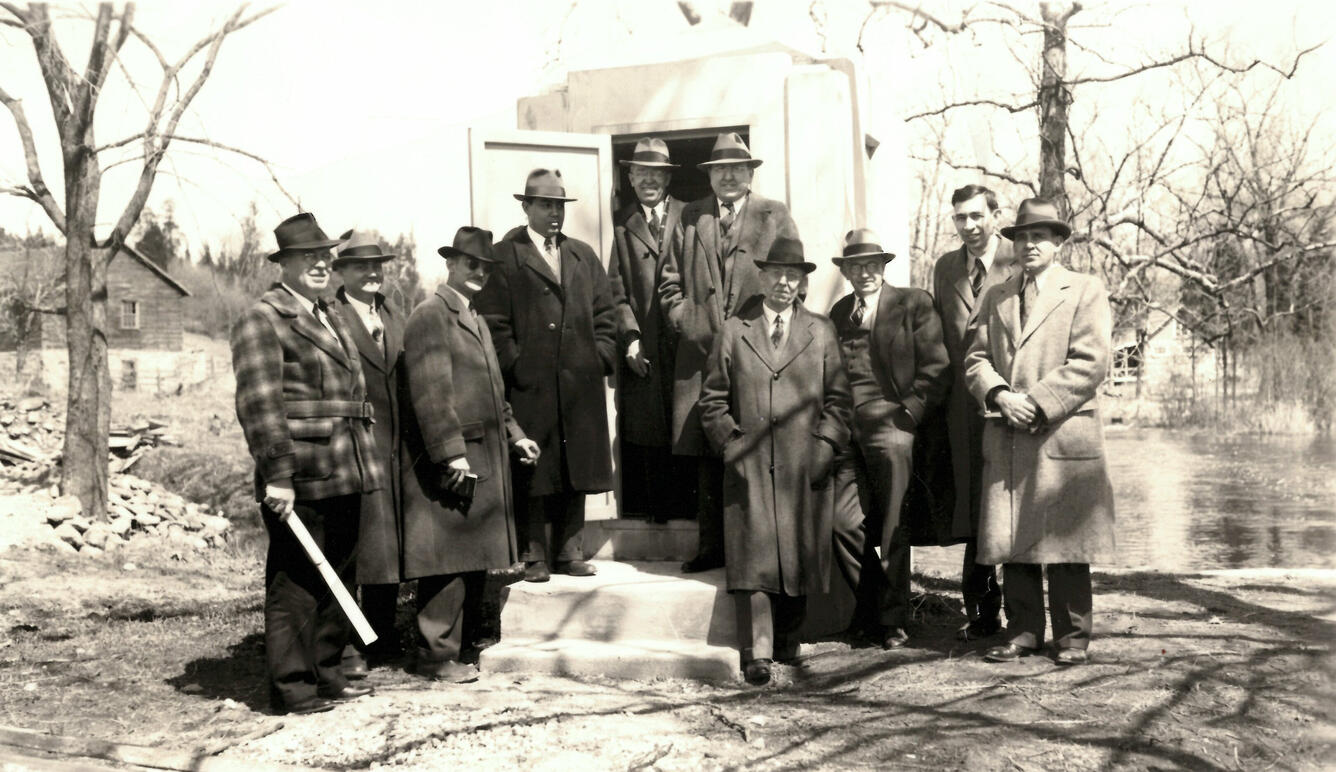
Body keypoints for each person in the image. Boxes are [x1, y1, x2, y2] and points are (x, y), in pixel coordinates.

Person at [230, 212, 380, 715]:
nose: (320, 264)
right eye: (306, 257)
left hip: (346, 462)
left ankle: (328, 671)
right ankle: (293, 686)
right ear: (285, 264)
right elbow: (259, 402)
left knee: (340, 571)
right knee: (295, 580)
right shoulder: (263, 317)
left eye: (324, 256)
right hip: (301, 472)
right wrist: (278, 475)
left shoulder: (330, 314)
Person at [964, 198, 1115, 666]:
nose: (1030, 245)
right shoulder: (997, 295)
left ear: (1058, 242)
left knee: (1067, 540)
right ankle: (1024, 630)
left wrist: (1038, 402)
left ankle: (1072, 637)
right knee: (1015, 537)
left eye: (1040, 237)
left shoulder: (1085, 290)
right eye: (1023, 237)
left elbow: (1092, 362)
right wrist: (999, 395)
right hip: (1008, 430)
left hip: (1063, 430)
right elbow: (975, 359)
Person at [697, 237, 851, 685]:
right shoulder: (734, 329)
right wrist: (732, 448)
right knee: (756, 556)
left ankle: (788, 642)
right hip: (751, 461)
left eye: (793, 276)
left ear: (802, 282)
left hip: (805, 460)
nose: (784, 283)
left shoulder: (820, 330)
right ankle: (758, 652)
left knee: (799, 552)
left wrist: (824, 446)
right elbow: (711, 401)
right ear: (760, 278)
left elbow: (840, 401)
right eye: (775, 275)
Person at [400, 226, 541, 682]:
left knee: (472, 555)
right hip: (458, 458)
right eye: (471, 264)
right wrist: (450, 453)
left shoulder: (475, 318)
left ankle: (456, 649)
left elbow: (495, 395)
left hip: (486, 453)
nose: (479, 272)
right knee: (447, 558)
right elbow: (430, 393)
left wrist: (517, 434)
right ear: (451, 264)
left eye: (485, 266)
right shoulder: (431, 315)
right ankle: (435, 655)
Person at [660, 132, 800, 573]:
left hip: (756, 350)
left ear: (750, 173)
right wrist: (685, 315)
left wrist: (770, 331)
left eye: (737, 168)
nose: (728, 176)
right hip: (702, 352)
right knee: (706, 447)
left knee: (753, 442)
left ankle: (755, 548)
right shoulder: (691, 216)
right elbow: (668, 279)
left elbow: (795, 275)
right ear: (710, 175)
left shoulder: (773, 214)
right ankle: (711, 547)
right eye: (720, 169)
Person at [475, 169, 619, 582]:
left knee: (574, 465)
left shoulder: (582, 254)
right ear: (526, 207)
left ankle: (570, 552)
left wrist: (600, 358)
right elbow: (494, 321)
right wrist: (516, 365)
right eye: (544, 205)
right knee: (534, 468)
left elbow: (605, 313)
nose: (554, 213)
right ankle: (534, 555)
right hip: (530, 385)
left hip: (579, 382)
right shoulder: (505, 255)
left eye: (559, 205)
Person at [827, 229, 949, 649]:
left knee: (896, 523)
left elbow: (936, 368)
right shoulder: (840, 311)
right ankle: (874, 604)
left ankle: (893, 620)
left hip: (892, 424)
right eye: (855, 266)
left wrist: (909, 416)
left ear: (883, 267)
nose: (864, 273)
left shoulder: (913, 303)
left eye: (872, 265)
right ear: (845, 272)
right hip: (847, 429)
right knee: (841, 523)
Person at [931, 184, 1014, 640]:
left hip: (1009, 401)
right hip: (962, 409)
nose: (969, 226)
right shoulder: (945, 268)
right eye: (961, 217)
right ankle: (982, 614)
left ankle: (1023, 617)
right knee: (973, 509)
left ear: (994, 215)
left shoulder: (1018, 260)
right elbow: (943, 338)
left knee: (1012, 506)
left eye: (977, 216)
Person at [329, 231, 404, 676]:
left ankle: (380, 634)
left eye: (378, 266)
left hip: (393, 448)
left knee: (387, 547)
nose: (372, 273)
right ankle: (347, 645)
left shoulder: (393, 312)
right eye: (361, 267)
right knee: (353, 551)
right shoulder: (333, 317)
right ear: (341, 273)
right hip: (353, 447)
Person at [609, 137, 693, 522]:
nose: (649, 180)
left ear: (668, 179)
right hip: (645, 346)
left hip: (686, 343)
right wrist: (629, 338)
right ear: (629, 176)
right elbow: (616, 290)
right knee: (649, 430)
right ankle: (659, 513)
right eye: (641, 172)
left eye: (656, 174)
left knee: (689, 426)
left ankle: (690, 513)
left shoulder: (692, 216)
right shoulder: (623, 224)